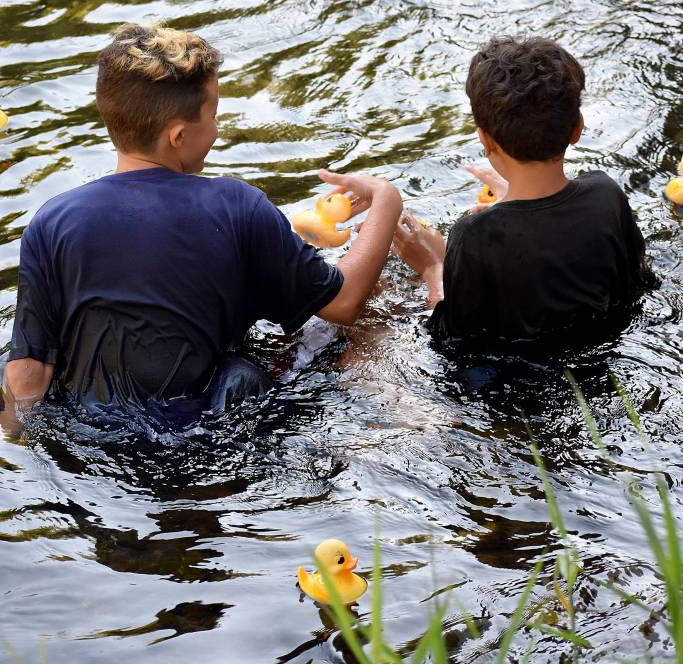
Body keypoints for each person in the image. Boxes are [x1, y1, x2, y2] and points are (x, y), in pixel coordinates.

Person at [3, 23, 403, 418]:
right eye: (213, 115)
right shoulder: (236, 206)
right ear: (178, 136)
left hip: (90, 446)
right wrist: (386, 197)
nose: (216, 129)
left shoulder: (51, 222)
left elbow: (27, 375)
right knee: (265, 366)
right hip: (200, 439)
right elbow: (345, 302)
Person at [392, 37, 651, 346]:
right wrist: (511, 207)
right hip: (607, 359)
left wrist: (433, 267)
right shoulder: (606, 197)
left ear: (485, 140)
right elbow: (638, 285)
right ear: (577, 128)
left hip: (519, 386)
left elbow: (452, 343)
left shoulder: (477, 234)